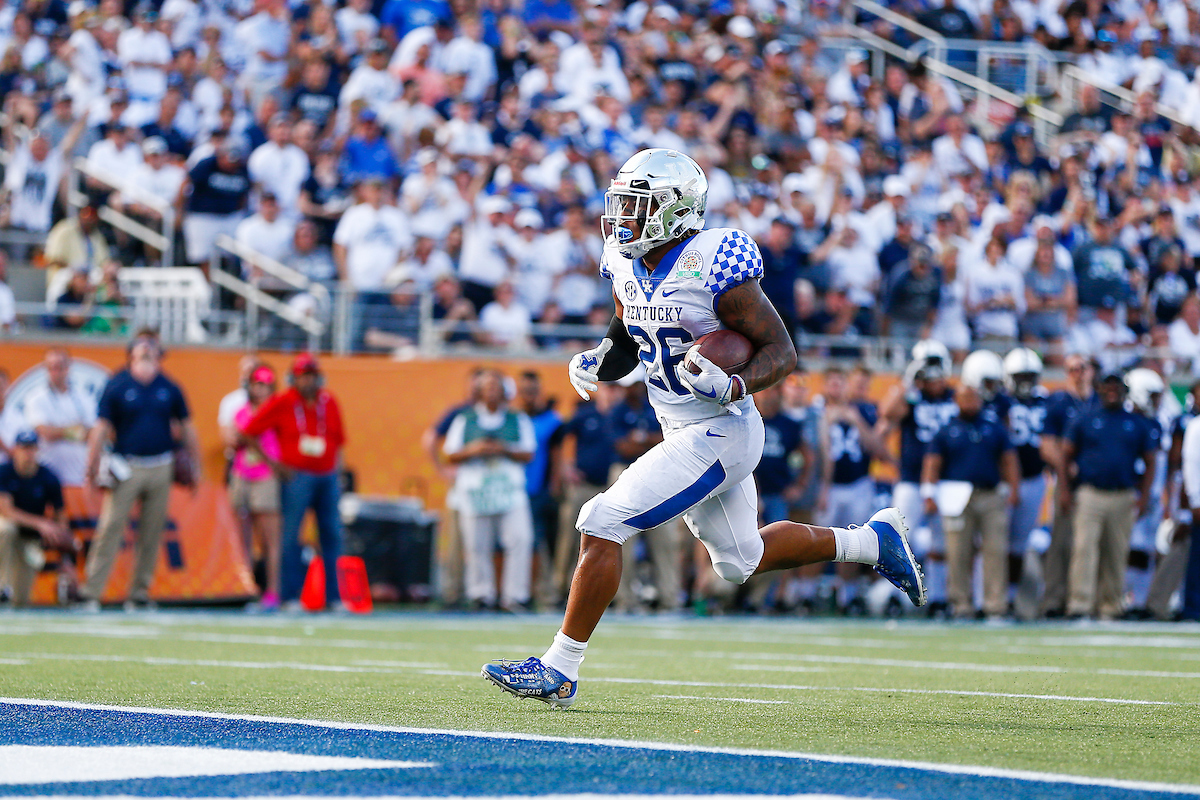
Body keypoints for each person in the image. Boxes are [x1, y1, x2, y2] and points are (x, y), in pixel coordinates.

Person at [482, 149, 925, 708]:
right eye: (620, 205)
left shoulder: (714, 261)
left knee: (602, 518)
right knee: (739, 562)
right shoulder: (623, 260)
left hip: (723, 428)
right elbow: (628, 338)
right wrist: (598, 359)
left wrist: (736, 385)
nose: (622, 218)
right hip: (680, 427)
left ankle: (560, 667)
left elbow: (782, 351)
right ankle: (871, 541)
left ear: (674, 209)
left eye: (635, 206)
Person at [82, 330, 200, 611]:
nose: (148, 350)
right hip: (127, 466)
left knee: (152, 532)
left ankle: (139, 593)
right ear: (131, 353)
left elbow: (188, 427)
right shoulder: (118, 384)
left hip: (161, 465)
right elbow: (101, 428)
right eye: (142, 347)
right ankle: (92, 592)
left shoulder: (169, 386)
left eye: (152, 347)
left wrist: (196, 467)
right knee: (111, 527)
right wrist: (92, 466)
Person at [240, 354, 346, 612]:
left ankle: (334, 599)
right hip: (297, 476)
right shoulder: (283, 401)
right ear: (293, 378)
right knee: (290, 537)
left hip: (327, 476)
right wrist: (273, 465)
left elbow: (339, 440)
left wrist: (337, 471)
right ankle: (290, 597)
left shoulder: (329, 401)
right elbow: (250, 431)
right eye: (303, 375)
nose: (308, 381)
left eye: (312, 375)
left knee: (332, 536)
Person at [1062, 370, 1158, 620]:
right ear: (1100, 389)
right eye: (1108, 386)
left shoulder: (1136, 423)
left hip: (1123, 494)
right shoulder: (1086, 418)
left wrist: (1144, 495)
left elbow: (1150, 461)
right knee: (1084, 549)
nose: (1112, 391)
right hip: (1090, 492)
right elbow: (1066, 454)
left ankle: (1111, 605)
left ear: (1125, 391)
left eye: (1117, 387)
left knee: (1116, 552)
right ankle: (1080, 604)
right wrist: (1064, 489)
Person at [922, 383, 1020, 619]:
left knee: (995, 550)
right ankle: (960, 603)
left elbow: (1008, 459)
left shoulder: (993, 427)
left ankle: (995, 604)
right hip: (955, 496)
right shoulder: (947, 429)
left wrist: (1014, 489)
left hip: (990, 494)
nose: (969, 401)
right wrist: (928, 492)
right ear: (956, 400)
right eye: (964, 397)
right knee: (957, 552)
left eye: (973, 397)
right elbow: (933, 462)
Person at [443, 369, 536, 611]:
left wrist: (502, 449)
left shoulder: (518, 419)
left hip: (508, 490)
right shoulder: (465, 419)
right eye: (487, 386)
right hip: (476, 492)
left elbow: (528, 452)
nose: (492, 391)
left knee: (519, 539)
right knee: (476, 544)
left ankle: (514, 596)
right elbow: (450, 453)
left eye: (496, 386)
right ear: (478, 391)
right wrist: (474, 450)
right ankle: (481, 593)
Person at [878, 339, 958, 615]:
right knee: (898, 538)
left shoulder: (954, 396)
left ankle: (938, 598)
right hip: (911, 479)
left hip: (947, 479)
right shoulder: (912, 396)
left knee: (942, 542)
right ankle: (894, 596)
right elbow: (887, 411)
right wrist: (909, 379)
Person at [1039, 353, 1096, 617]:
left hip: (1096, 483)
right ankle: (1054, 598)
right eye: (1072, 368)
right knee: (1061, 542)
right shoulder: (1059, 402)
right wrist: (1067, 465)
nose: (1078, 373)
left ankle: (1086, 599)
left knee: (1088, 545)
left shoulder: (1100, 400)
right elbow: (1047, 446)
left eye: (1082, 368)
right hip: (1067, 481)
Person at [225, 364, 282, 610]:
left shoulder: (279, 412)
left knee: (270, 539)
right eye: (257, 384)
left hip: (266, 476)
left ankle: (273, 591)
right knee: (242, 538)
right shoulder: (241, 411)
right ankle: (246, 589)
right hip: (242, 474)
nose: (260, 390)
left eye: (265, 385)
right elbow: (231, 439)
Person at [1001, 347, 1049, 619]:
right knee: (995, 543)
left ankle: (1009, 599)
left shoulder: (1045, 401)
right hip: (1005, 482)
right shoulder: (1001, 401)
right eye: (1020, 377)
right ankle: (988, 597)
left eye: (1030, 376)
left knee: (1019, 544)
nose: (1026, 383)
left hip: (1034, 479)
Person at [0, 431, 72, 607]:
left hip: (31, 539)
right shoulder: (5, 472)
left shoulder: (48, 477)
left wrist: (66, 556)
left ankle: (12, 595)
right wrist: (41, 523)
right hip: (9, 534)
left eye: (32, 448)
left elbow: (61, 517)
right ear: (15, 450)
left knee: (22, 601)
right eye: (24, 448)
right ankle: (2, 585)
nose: (28, 453)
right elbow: (6, 511)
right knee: (6, 528)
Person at [23, 348, 96, 487]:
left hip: (79, 474)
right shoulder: (36, 398)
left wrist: (59, 431)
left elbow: (93, 432)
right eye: (51, 368)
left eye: (59, 367)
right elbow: (44, 432)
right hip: (48, 473)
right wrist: (76, 430)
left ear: (68, 368)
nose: (55, 372)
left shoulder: (84, 397)